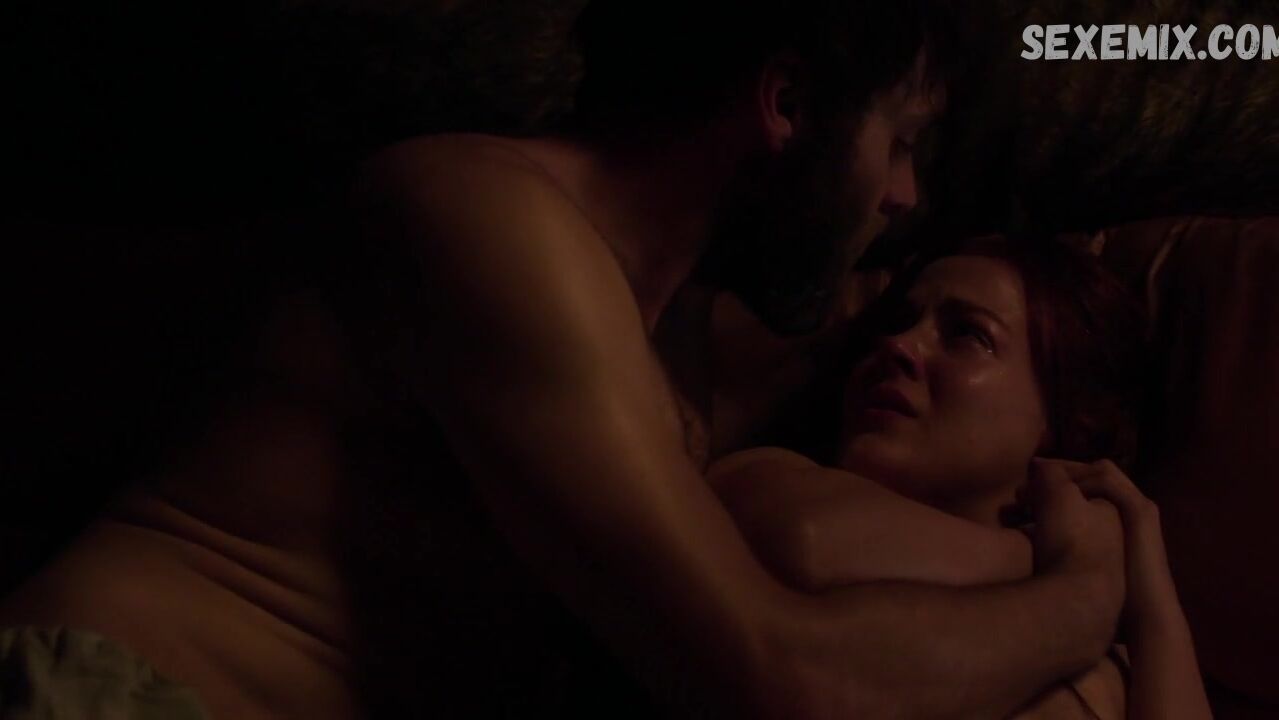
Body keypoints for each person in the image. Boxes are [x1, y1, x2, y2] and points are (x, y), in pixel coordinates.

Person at [0, 2, 1128, 717]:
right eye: (899, 144)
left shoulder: (668, 335)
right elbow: (784, 678)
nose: (904, 196)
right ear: (786, 105)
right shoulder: (491, 225)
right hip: (124, 691)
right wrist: (1085, 594)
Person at [709, 235, 1213, 719]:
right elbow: (804, 543)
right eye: (899, 321)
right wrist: (1080, 568)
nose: (897, 344)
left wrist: (1154, 608)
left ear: (1063, 421)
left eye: (968, 334)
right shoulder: (767, 475)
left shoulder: (1125, 669)